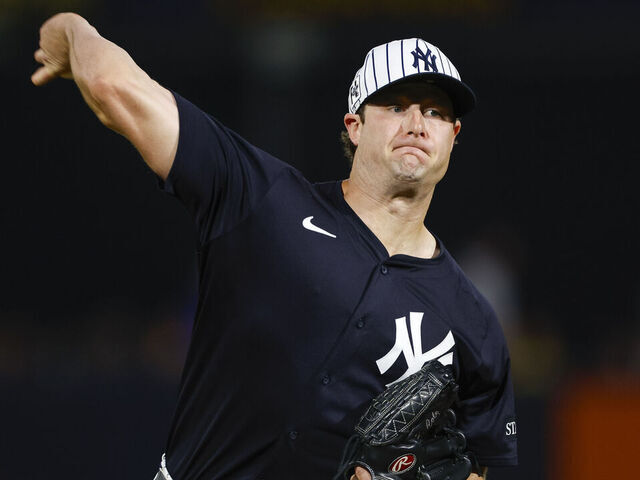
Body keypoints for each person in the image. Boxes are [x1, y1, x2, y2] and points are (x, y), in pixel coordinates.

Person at [32, 13, 517, 480]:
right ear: (354, 125)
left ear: (453, 138)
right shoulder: (263, 201)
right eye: (396, 105)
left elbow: (472, 462)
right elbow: (116, 88)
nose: (417, 122)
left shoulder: (473, 323)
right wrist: (75, 30)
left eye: (435, 112)